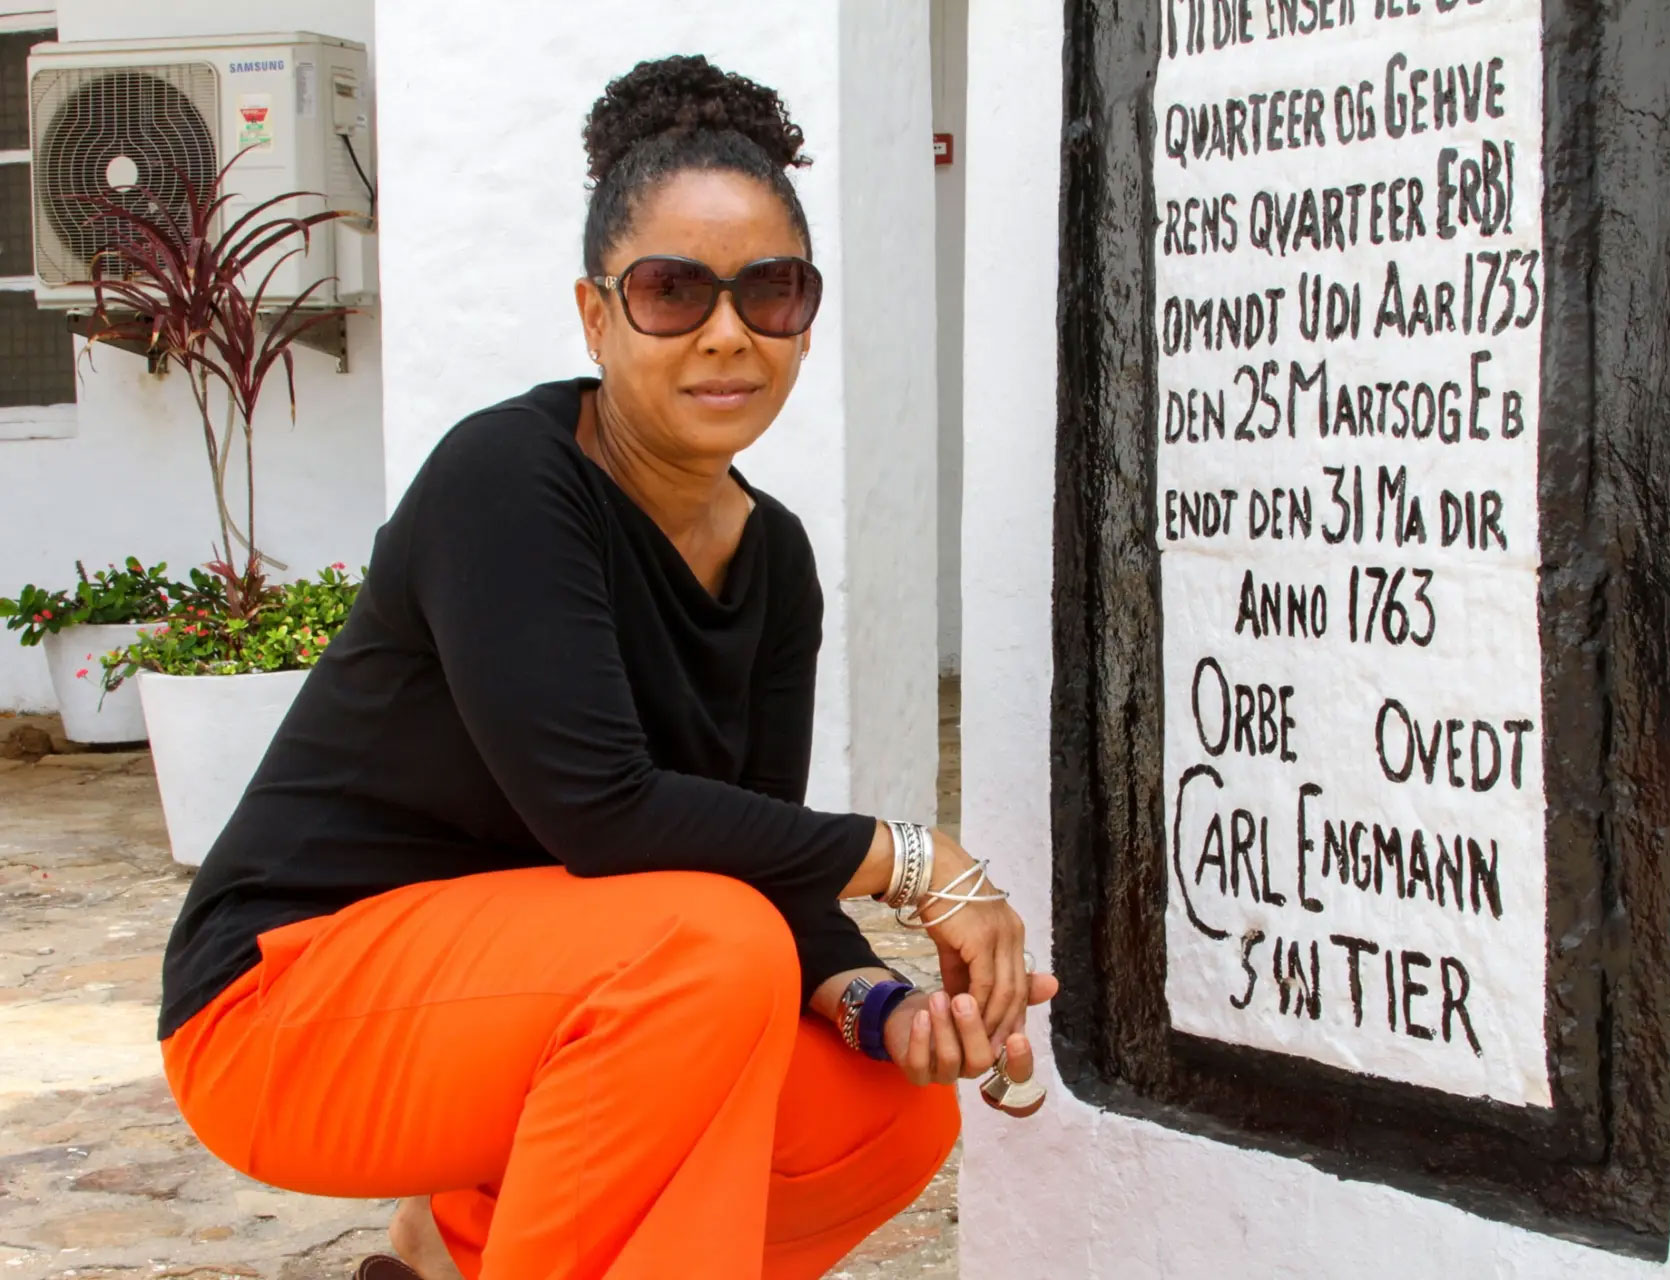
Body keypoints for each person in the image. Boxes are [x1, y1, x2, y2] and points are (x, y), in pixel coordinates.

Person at [156, 54, 1055, 1280]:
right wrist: (916, 861)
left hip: (528, 1005)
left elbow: (769, 872)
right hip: (288, 1010)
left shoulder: (772, 556)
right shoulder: (506, 481)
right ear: (596, 313)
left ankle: (455, 1249)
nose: (729, 333)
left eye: (772, 291)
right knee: (704, 948)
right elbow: (602, 809)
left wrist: (889, 1009)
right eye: (674, 291)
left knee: (880, 1118)